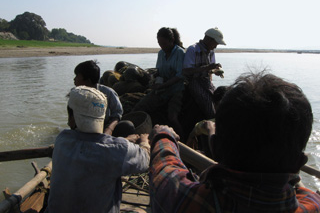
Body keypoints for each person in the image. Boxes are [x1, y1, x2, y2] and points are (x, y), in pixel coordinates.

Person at [149, 72, 320, 212]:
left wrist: (163, 135)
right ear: (299, 164)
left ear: (214, 147)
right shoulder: (312, 206)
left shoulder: (189, 201)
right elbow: (310, 196)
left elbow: (165, 170)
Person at [46, 86, 150, 213]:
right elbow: (145, 159)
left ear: (71, 118)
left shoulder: (62, 140)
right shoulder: (119, 150)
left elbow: (96, 146)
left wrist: (125, 141)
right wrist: (144, 142)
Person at [132, 27, 185, 140]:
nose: (162, 46)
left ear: (172, 40)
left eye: (164, 43)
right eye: (160, 44)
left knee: (172, 117)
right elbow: (158, 71)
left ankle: (183, 139)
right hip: (161, 89)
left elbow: (180, 75)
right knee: (140, 106)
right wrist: (153, 78)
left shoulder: (179, 52)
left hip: (176, 90)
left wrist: (163, 85)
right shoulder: (161, 53)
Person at [183, 27, 226, 119]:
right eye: (216, 43)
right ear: (209, 40)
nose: (215, 46)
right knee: (207, 103)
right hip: (193, 81)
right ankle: (213, 123)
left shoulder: (211, 51)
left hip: (206, 81)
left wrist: (216, 71)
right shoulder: (193, 49)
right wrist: (207, 68)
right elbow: (186, 71)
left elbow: (210, 70)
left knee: (218, 98)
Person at [74, 60, 123, 135]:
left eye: (77, 76)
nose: (74, 79)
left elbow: (117, 113)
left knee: (126, 125)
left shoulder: (108, 92)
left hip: (103, 127)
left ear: (88, 80)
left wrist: (109, 129)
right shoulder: (76, 94)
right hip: (83, 129)